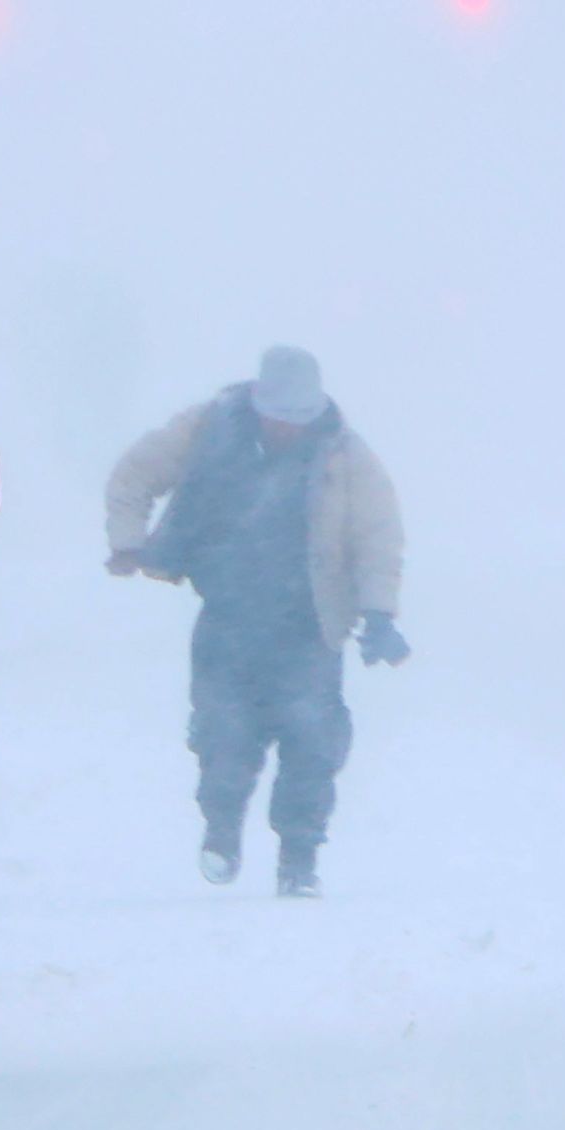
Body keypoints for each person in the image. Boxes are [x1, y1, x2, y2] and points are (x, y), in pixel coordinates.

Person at [104, 345, 406, 899]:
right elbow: (135, 474)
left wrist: (379, 613)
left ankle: (299, 858)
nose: (289, 429)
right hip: (228, 617)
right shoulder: (206, 429)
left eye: (299, 419)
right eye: (280, 416)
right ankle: (221, 832)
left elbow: (377, 535)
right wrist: (127, 540)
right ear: (258, 401)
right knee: (223, 735)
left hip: (310, 625)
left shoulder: (345, 454)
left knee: (312, 741)